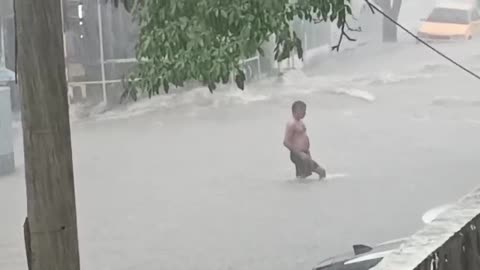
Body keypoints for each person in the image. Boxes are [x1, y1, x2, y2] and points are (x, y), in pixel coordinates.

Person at [283, 100, 326, 179]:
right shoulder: (291, 123)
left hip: (305, 154)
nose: (305, 113)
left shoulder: (300, 122)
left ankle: (317, 190)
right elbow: (285, 142)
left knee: (317, 173)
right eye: (303, 110)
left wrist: (307, 153)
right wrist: (300, 154)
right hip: (298, 155)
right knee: (304, 178)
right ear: (297, 110)